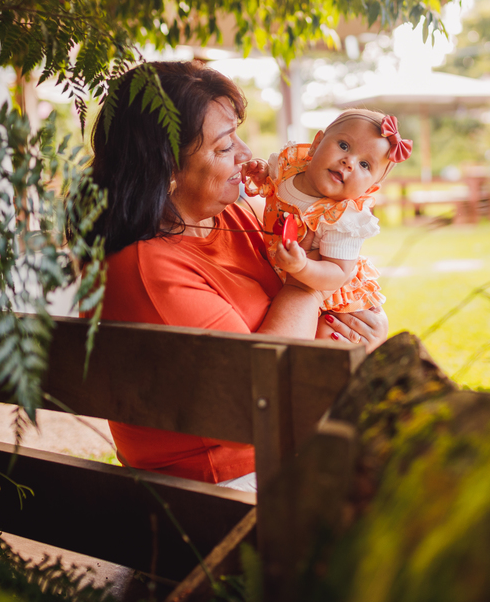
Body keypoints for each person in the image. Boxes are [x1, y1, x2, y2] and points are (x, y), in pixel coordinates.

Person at [79, 60, 388, 491]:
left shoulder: (232, 213)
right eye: (224, 148)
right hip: (225, 484)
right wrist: (314, 275)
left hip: (284, 444)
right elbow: (257, 393)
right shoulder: (147, 269)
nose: (246, 155)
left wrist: (360, 333)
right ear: (168, 168)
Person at [241, 109, 412, 314]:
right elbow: (274, 187)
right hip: (279, 281)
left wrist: (303, 267)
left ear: (370, 189)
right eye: (344, 146)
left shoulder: (341, 218)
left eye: (364, 164)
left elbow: (339, 272)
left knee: (322, 337)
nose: (349, 162)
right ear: (316, 144)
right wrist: (261, 174)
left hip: (328, 303)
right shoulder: (290, 167)